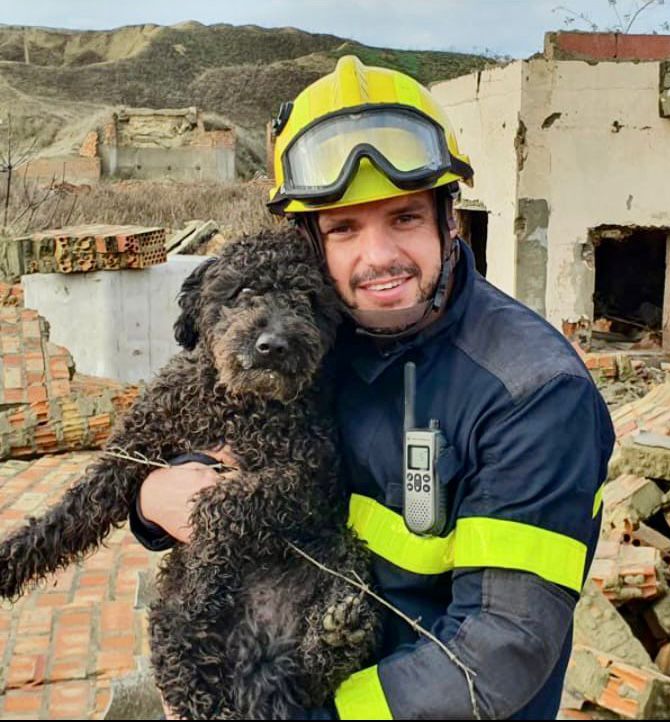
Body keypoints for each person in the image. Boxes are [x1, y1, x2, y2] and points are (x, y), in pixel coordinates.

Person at [131, 56, 615, 719]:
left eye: (404, 218)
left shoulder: (531, 393)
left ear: (449, 219)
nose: (378, 257)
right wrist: (154, 493)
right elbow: (215, 446)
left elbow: (500, 648)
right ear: (309, 242)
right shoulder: (314, 339)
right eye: (344, 228)